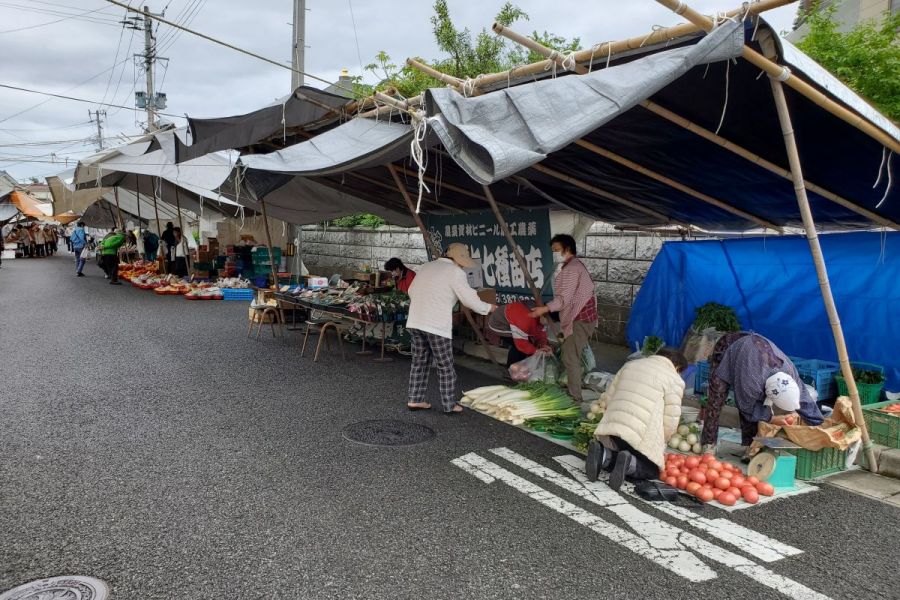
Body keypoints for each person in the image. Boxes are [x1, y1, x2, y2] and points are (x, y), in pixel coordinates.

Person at [406, 243, 497, 414]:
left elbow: (411, 290)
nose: (463, 265)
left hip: (416, 321)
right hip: (436, 324)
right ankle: (449, 405)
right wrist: (489, 308)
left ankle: (415, 399)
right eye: (463, 261)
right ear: (458, 259)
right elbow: (469, 299)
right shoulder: (455, 272)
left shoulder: (427, 266)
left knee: (419, 362)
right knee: (445, 365)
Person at [701, 332, 824, 457]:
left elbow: (804, 399)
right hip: (728, 347)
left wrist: (820, 425)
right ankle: (708, 443)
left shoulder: (790, 373)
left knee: (755, 406)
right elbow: (746, 407)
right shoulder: (751, 382)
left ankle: (750, 445)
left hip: (752, 348)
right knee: (716, 398)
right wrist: (772, 418)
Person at [586, 347, 688, 490]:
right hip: (640, 435)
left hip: (614, 429)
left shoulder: (630, 365)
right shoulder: (674, 379)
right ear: (677, 367)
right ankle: (628, 463)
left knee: (622, 453)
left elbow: (608, 399)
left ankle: (603, 454)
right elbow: (671, 420)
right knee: (651, 470)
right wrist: (661, 442)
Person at [529, 234, 598, 403]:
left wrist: (543, 309)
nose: (554, 254)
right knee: (572, 355)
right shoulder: (576, 265)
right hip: (583, 317)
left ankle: (575, 397)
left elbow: (563, 300)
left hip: (579, 319)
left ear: (567, 249)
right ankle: (575, 391)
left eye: (556, 250)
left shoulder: (571, 270)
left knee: (570, 358)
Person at [488, 301, 550, 367]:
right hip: (499, 324)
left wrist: (543, 344)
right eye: (548, 321)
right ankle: (512, 370)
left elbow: (540, 331)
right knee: (518, 347)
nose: (549, 324)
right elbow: (521, 344)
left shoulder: (541, 312)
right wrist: (536, 351)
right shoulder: (525, 319)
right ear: (543, 316)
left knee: (527, 346)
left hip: (513, 319)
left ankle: (520, 367)